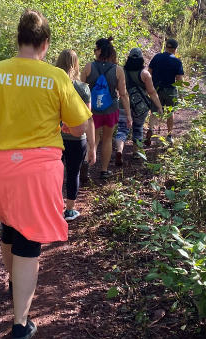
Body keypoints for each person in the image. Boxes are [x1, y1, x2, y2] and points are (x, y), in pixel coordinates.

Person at [0, 10, 91, 339]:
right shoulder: (56, 78)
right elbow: (79, 125)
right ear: (45, 44)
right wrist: (64, 125)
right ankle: (20, 324)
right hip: (39, 171)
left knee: (9, 225)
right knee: (28, 239)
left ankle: (12, 279)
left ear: (18, 40)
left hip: (0, 169)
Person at [80, 37, 131, 179]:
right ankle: (104, 170)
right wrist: (128, 114)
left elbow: (80, 89)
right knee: (107, 139)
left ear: (100, 50)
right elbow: (123, 94)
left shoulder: (88, 67)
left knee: (92, 139)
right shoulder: (118, 70)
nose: (94, 52)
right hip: (111, 109)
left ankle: (85, 163)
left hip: (91, 111)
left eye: (95, 50)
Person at [55, 49, 96, 221]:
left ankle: (54, 208)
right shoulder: (83, 88)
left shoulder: (51, 85)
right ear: (76, 65)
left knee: (54, 174)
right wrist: (93, 147)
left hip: (54, 138)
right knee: (73, 173)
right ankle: (70, 210)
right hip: (76, 139)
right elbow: (88, 119)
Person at [114, 48, 163, 166]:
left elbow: (117, 89)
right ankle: (136, 152)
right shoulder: (145, 74)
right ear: (141, 59)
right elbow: (151, 92)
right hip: (141, 107)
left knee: (122, 129)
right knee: (138, 128)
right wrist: (159, 106)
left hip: (123, 105)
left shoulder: (121, 71)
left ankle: (119, 150)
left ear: (129, 58)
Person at [146, 38, 184, 145]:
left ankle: (150, 129)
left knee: (155, 112)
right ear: (175, 49)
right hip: (170, 90)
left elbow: (149, 73)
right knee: (170, 112)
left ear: (166, 47)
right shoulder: (176, 61)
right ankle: (169, 135)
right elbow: (179, 80)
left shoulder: (157, 57)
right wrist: (181, 94)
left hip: (156, 89)